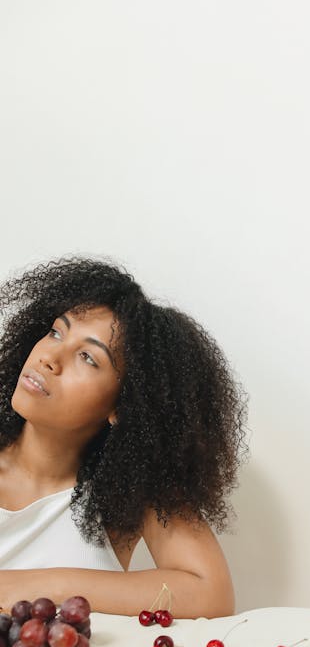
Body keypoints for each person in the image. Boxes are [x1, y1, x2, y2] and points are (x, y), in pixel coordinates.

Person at [0, 256, 248, 618]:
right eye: (56, 331)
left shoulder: (125, 494)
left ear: (124, 405)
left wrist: (32, 586)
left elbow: (211, 593)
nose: (49, 357)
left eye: (87, 357)